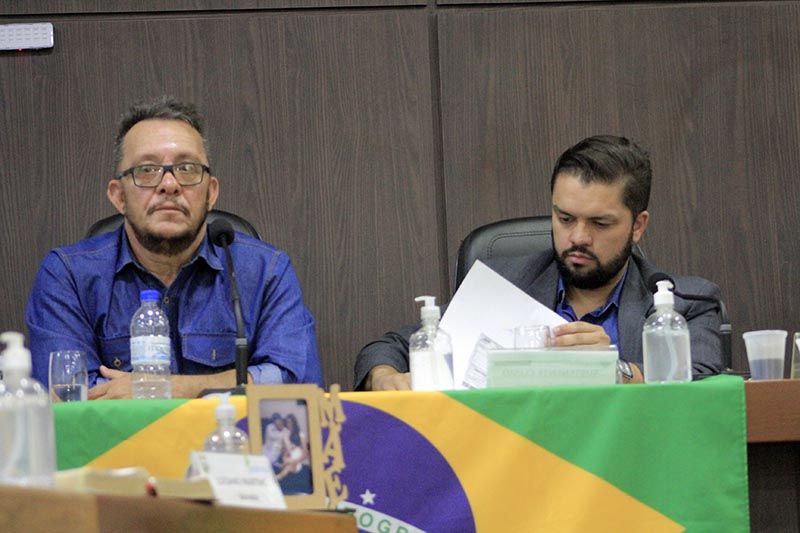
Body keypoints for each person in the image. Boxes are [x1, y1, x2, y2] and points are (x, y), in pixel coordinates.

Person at [354, 135, 724, 390]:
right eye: (565, 218)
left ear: (638, 226)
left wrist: (615, 371)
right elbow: (390, 345)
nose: (578, 237)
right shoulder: (507, 283)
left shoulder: (686, 303)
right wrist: (383, 375)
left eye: (599, 223)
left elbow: (706, 378)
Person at [26, 96, 323, 398]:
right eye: (147, 170)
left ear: (211, 193)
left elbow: (296, 383)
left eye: (187, 168)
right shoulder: (69, 276)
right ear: (118, 196)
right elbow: (69, 395)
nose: (169, 184)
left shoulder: (265, 271)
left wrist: (162, 388)